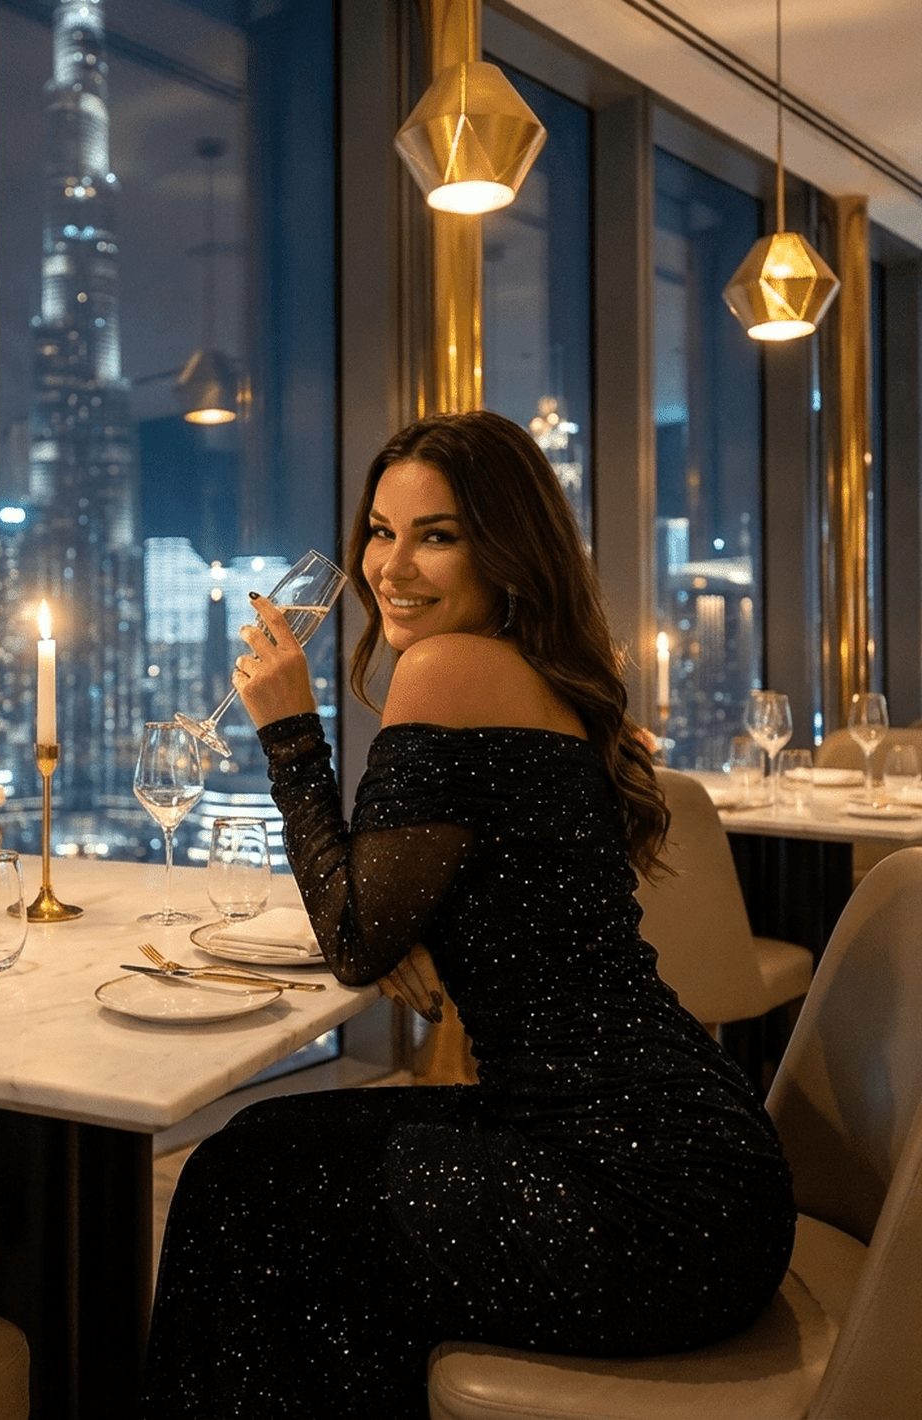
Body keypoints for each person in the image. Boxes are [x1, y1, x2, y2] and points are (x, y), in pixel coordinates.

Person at [137, 411, 795, 1419]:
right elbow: (413, 908)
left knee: (245, 1190)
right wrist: (407, 924)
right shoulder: (531, 670)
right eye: (380, 531)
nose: (392, 567)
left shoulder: (448, 669)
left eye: (435, 535)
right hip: (680, 1149)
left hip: (644, 1193)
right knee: (253, 1156)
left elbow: (352, 939)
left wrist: (289, 731)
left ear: (505, 547)